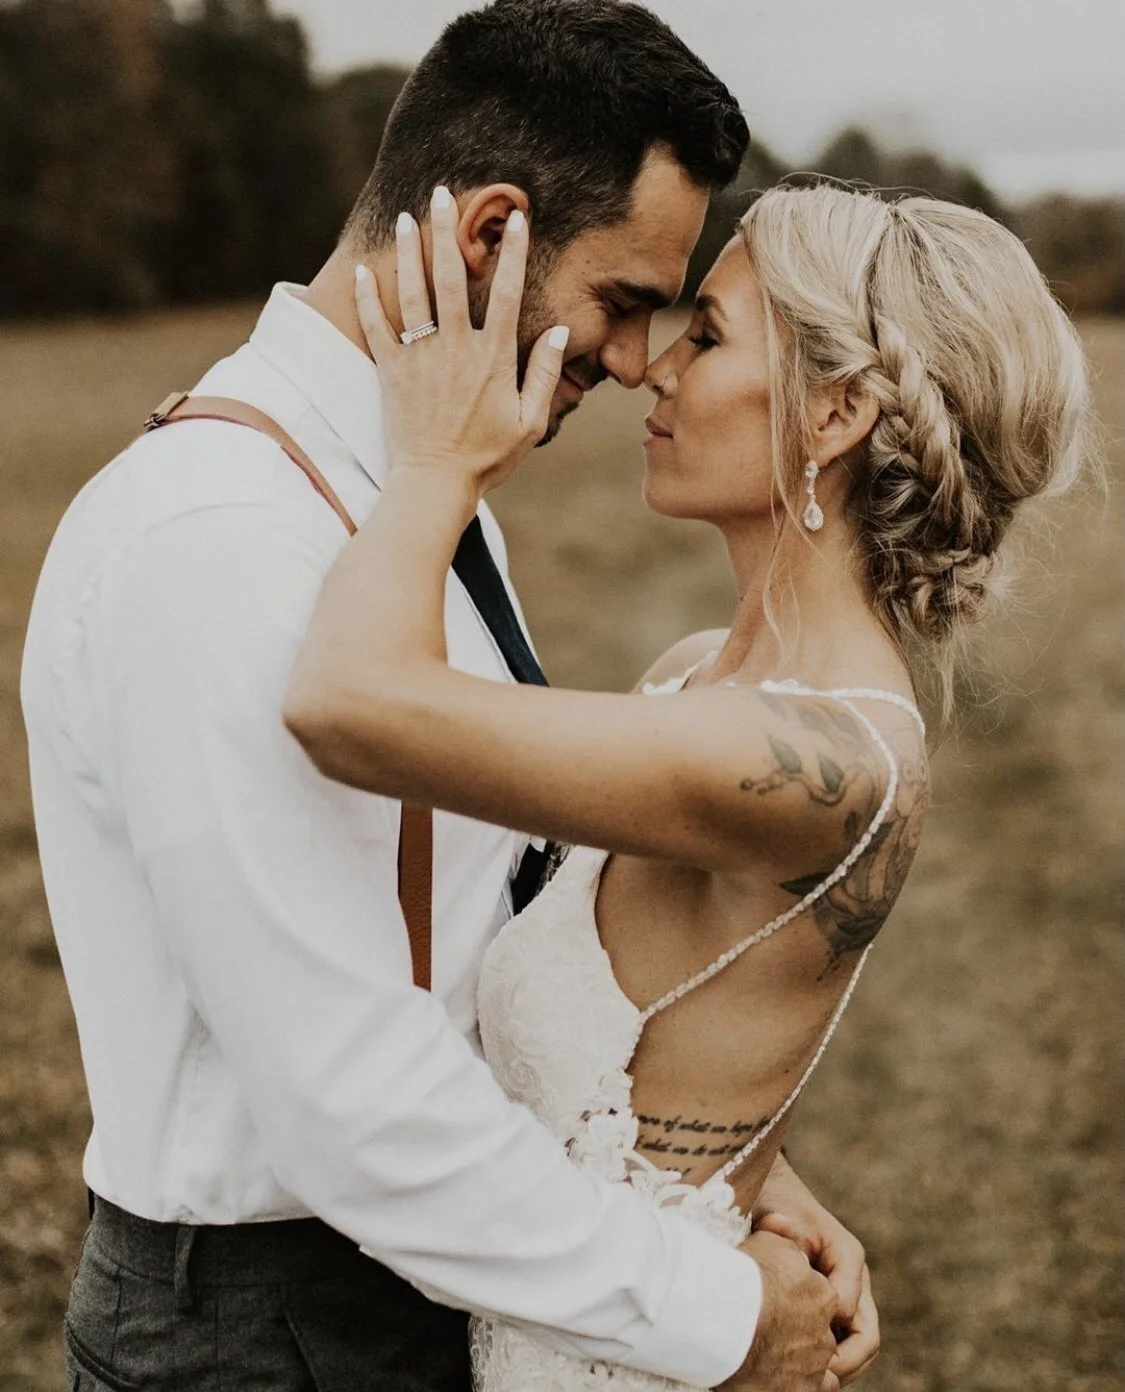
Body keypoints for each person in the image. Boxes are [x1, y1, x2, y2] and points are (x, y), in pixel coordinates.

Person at [20, 3, 876, 1391]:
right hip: (274, 1331)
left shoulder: (417, 485)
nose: (640, 356)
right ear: (491, 237)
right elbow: (353, 1101)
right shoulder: (221, 539)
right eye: (623, 301)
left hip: (440, 1260)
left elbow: (479, 927)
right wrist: (712, 1313)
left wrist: (713, 1177)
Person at [283, 177, 1092, 1392]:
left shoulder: (826, 766)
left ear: (835, 415)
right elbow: (662, 1053)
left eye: (707, 335)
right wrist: (750, 1169)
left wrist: (439, 462)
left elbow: (347, 704)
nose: (652, 370)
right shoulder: (687, 684)